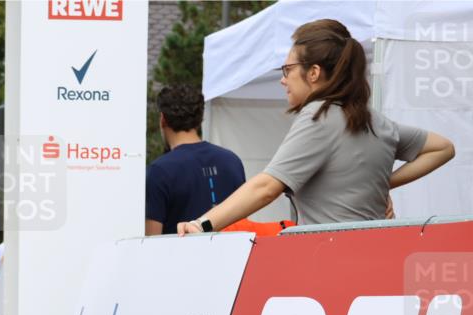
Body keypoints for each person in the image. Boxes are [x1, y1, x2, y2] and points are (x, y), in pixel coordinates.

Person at [178, 19, 455, 235]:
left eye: (287, 70)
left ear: (313, 72)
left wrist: (203, 224)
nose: (283, 80)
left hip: (325, 261)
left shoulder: (318, 116)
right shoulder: (377, 122)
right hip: (375, 257)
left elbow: (266, 187)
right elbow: (443, 148)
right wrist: (382, 183)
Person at [146, 85, 246, 235]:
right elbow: (245, 225)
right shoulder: (232, 161)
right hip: (233, 255)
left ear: (163, 119)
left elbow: (151, 240)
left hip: (180, 257)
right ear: (200, 119)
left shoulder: (159, 171)